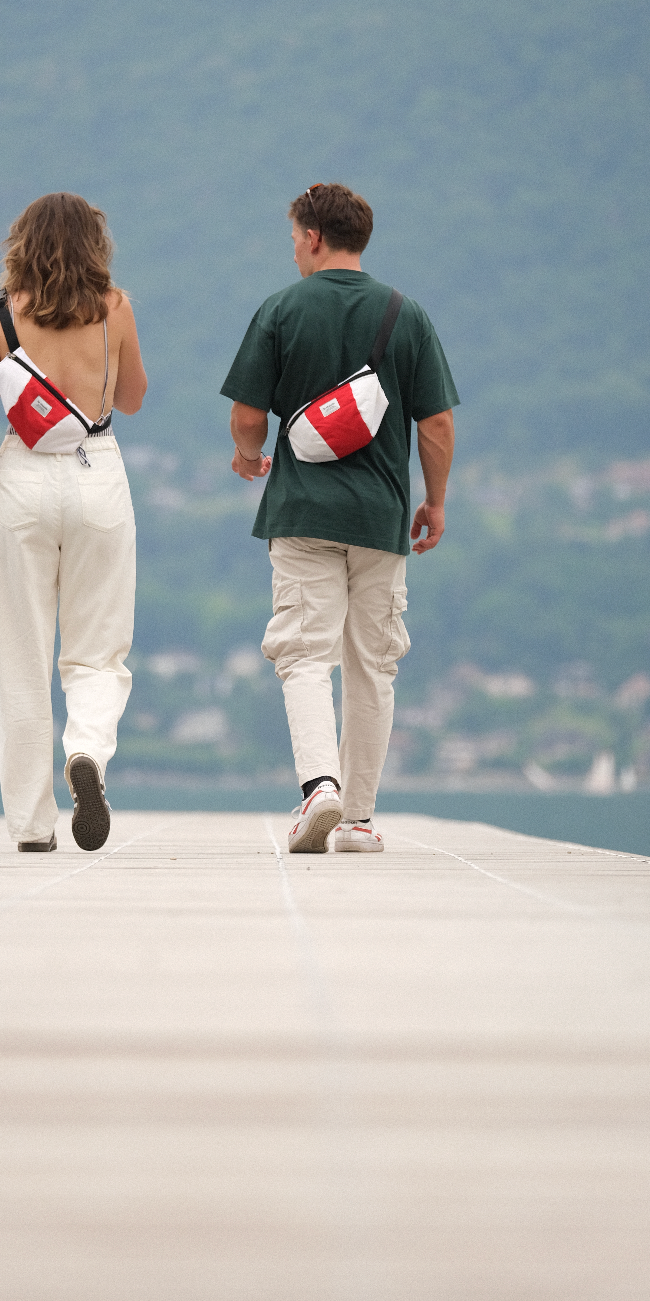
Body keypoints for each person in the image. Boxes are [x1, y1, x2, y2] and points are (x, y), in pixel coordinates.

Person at [221, 182, 458, 853]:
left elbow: (246, 416)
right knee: (373, 664)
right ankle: (356, 821)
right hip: (381, 518)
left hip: (301, 514)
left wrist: (248, 455)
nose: (294, 249)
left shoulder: (280, 309)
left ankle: (318, 787)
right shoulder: (405, 316)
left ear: (316, 237)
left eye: (296, 237)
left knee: (302, 653)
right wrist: (434, 501)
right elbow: (435, 423)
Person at [0, 192, 147, 852]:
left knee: (23, 655)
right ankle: (86, 751)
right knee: (98, 648)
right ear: (96, 245)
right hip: (99, 475)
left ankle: (33, 827)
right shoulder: (115, 307)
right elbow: (135, 398)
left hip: (25, 480)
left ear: (21, 243)